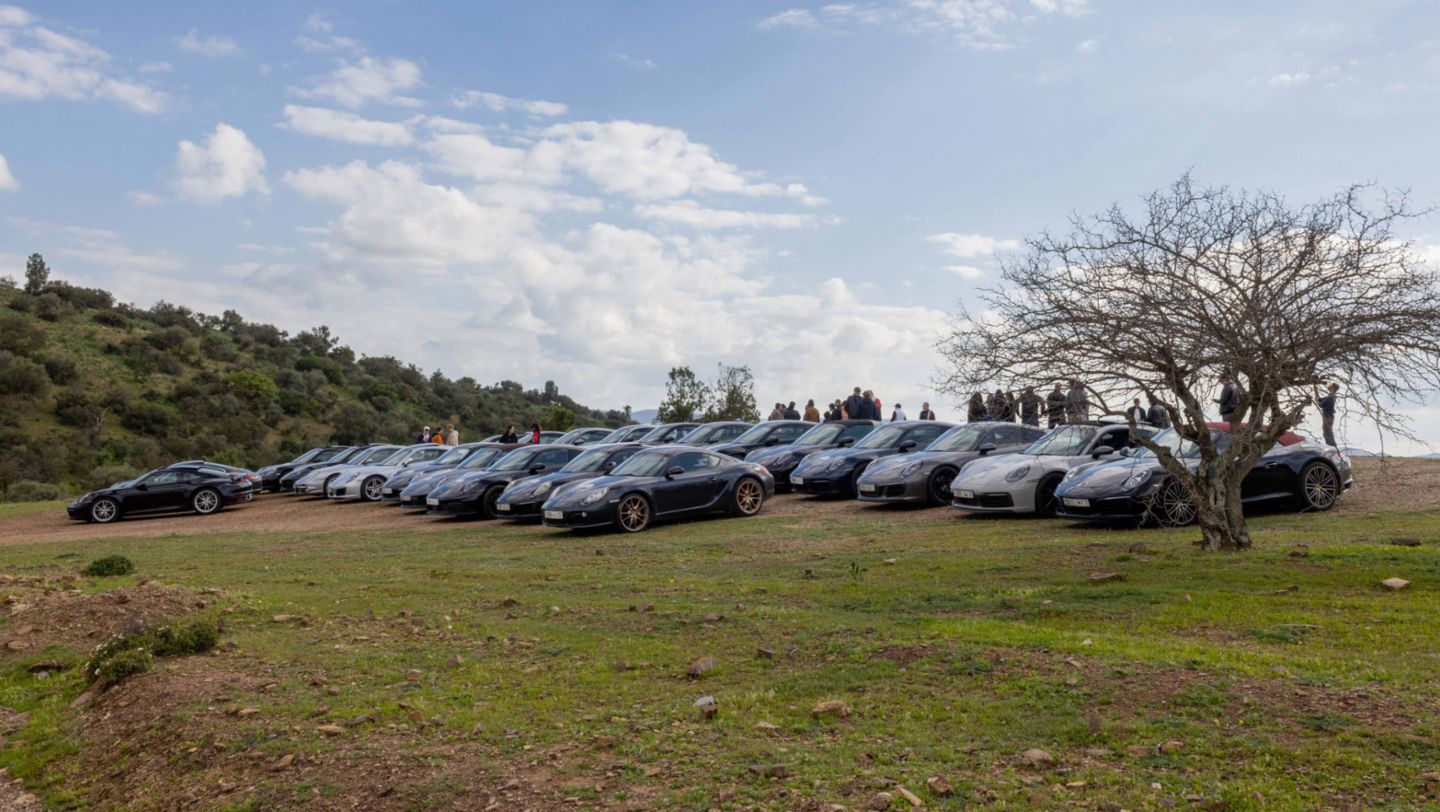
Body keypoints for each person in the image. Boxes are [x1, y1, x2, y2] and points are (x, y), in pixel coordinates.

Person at [1315, 382, 1339, 447]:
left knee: (1328, 434)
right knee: (1327, 434)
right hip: (1328, 417)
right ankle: (1332, 448)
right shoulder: (1330, 396)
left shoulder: (1331, 397)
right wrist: (1315, 388)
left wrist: (1317, 401)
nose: (1328, 386)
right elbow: (1320, 399)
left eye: (1330, 385)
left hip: (1328, 417)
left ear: (1333, 388)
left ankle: (1333, 449)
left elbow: (1321, 404)